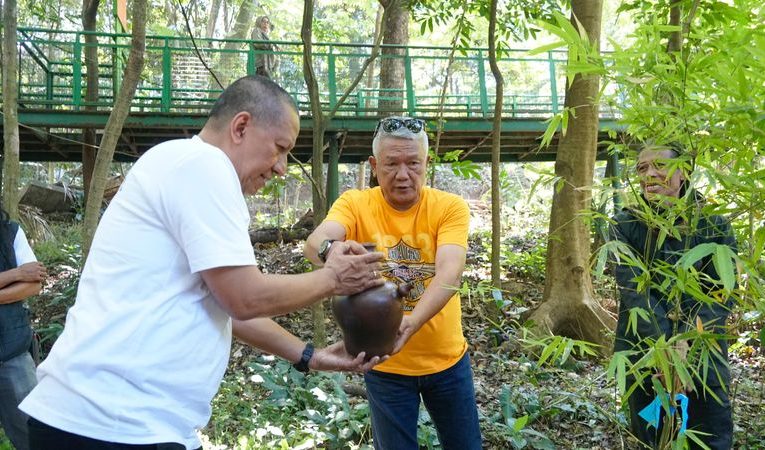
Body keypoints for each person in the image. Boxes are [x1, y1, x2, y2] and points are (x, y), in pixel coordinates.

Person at [19, 75, 385, 450]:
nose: (281, 168)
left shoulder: (183, 163)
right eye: (279, 148)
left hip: (124, 423)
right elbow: (243, 298)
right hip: (111, 422)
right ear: (241, 126)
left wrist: (311, 355)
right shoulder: (203, 166)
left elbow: (227, 302)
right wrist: (333, 278)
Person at [304, 116, 482, 450]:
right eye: (391, 164)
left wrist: (412, 322)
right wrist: (333, 252)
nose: (403, 175)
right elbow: (315, 244)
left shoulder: (449, 207)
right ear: (374, 165)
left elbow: (450, 274)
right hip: (384, 364)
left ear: (426, 162)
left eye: (413, 163)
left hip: (448, 362)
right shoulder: (355, 204)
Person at [610, 143, 735, 449]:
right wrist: (664, 347)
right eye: (641, 168)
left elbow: (721, 292)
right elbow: (634, 290)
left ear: (684, 172)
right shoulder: (624, 224)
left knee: (711, 436)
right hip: (643, 350)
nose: (649, 174)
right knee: (652, 436)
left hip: (702, 352)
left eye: (659, 166)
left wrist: (687, 340)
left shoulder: (713, 223)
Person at [0, 207, 46, 450]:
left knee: (32, 433)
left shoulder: (10, 232)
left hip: (12, 352)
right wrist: (16, 273)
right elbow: (24, 277)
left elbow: (33, 287)